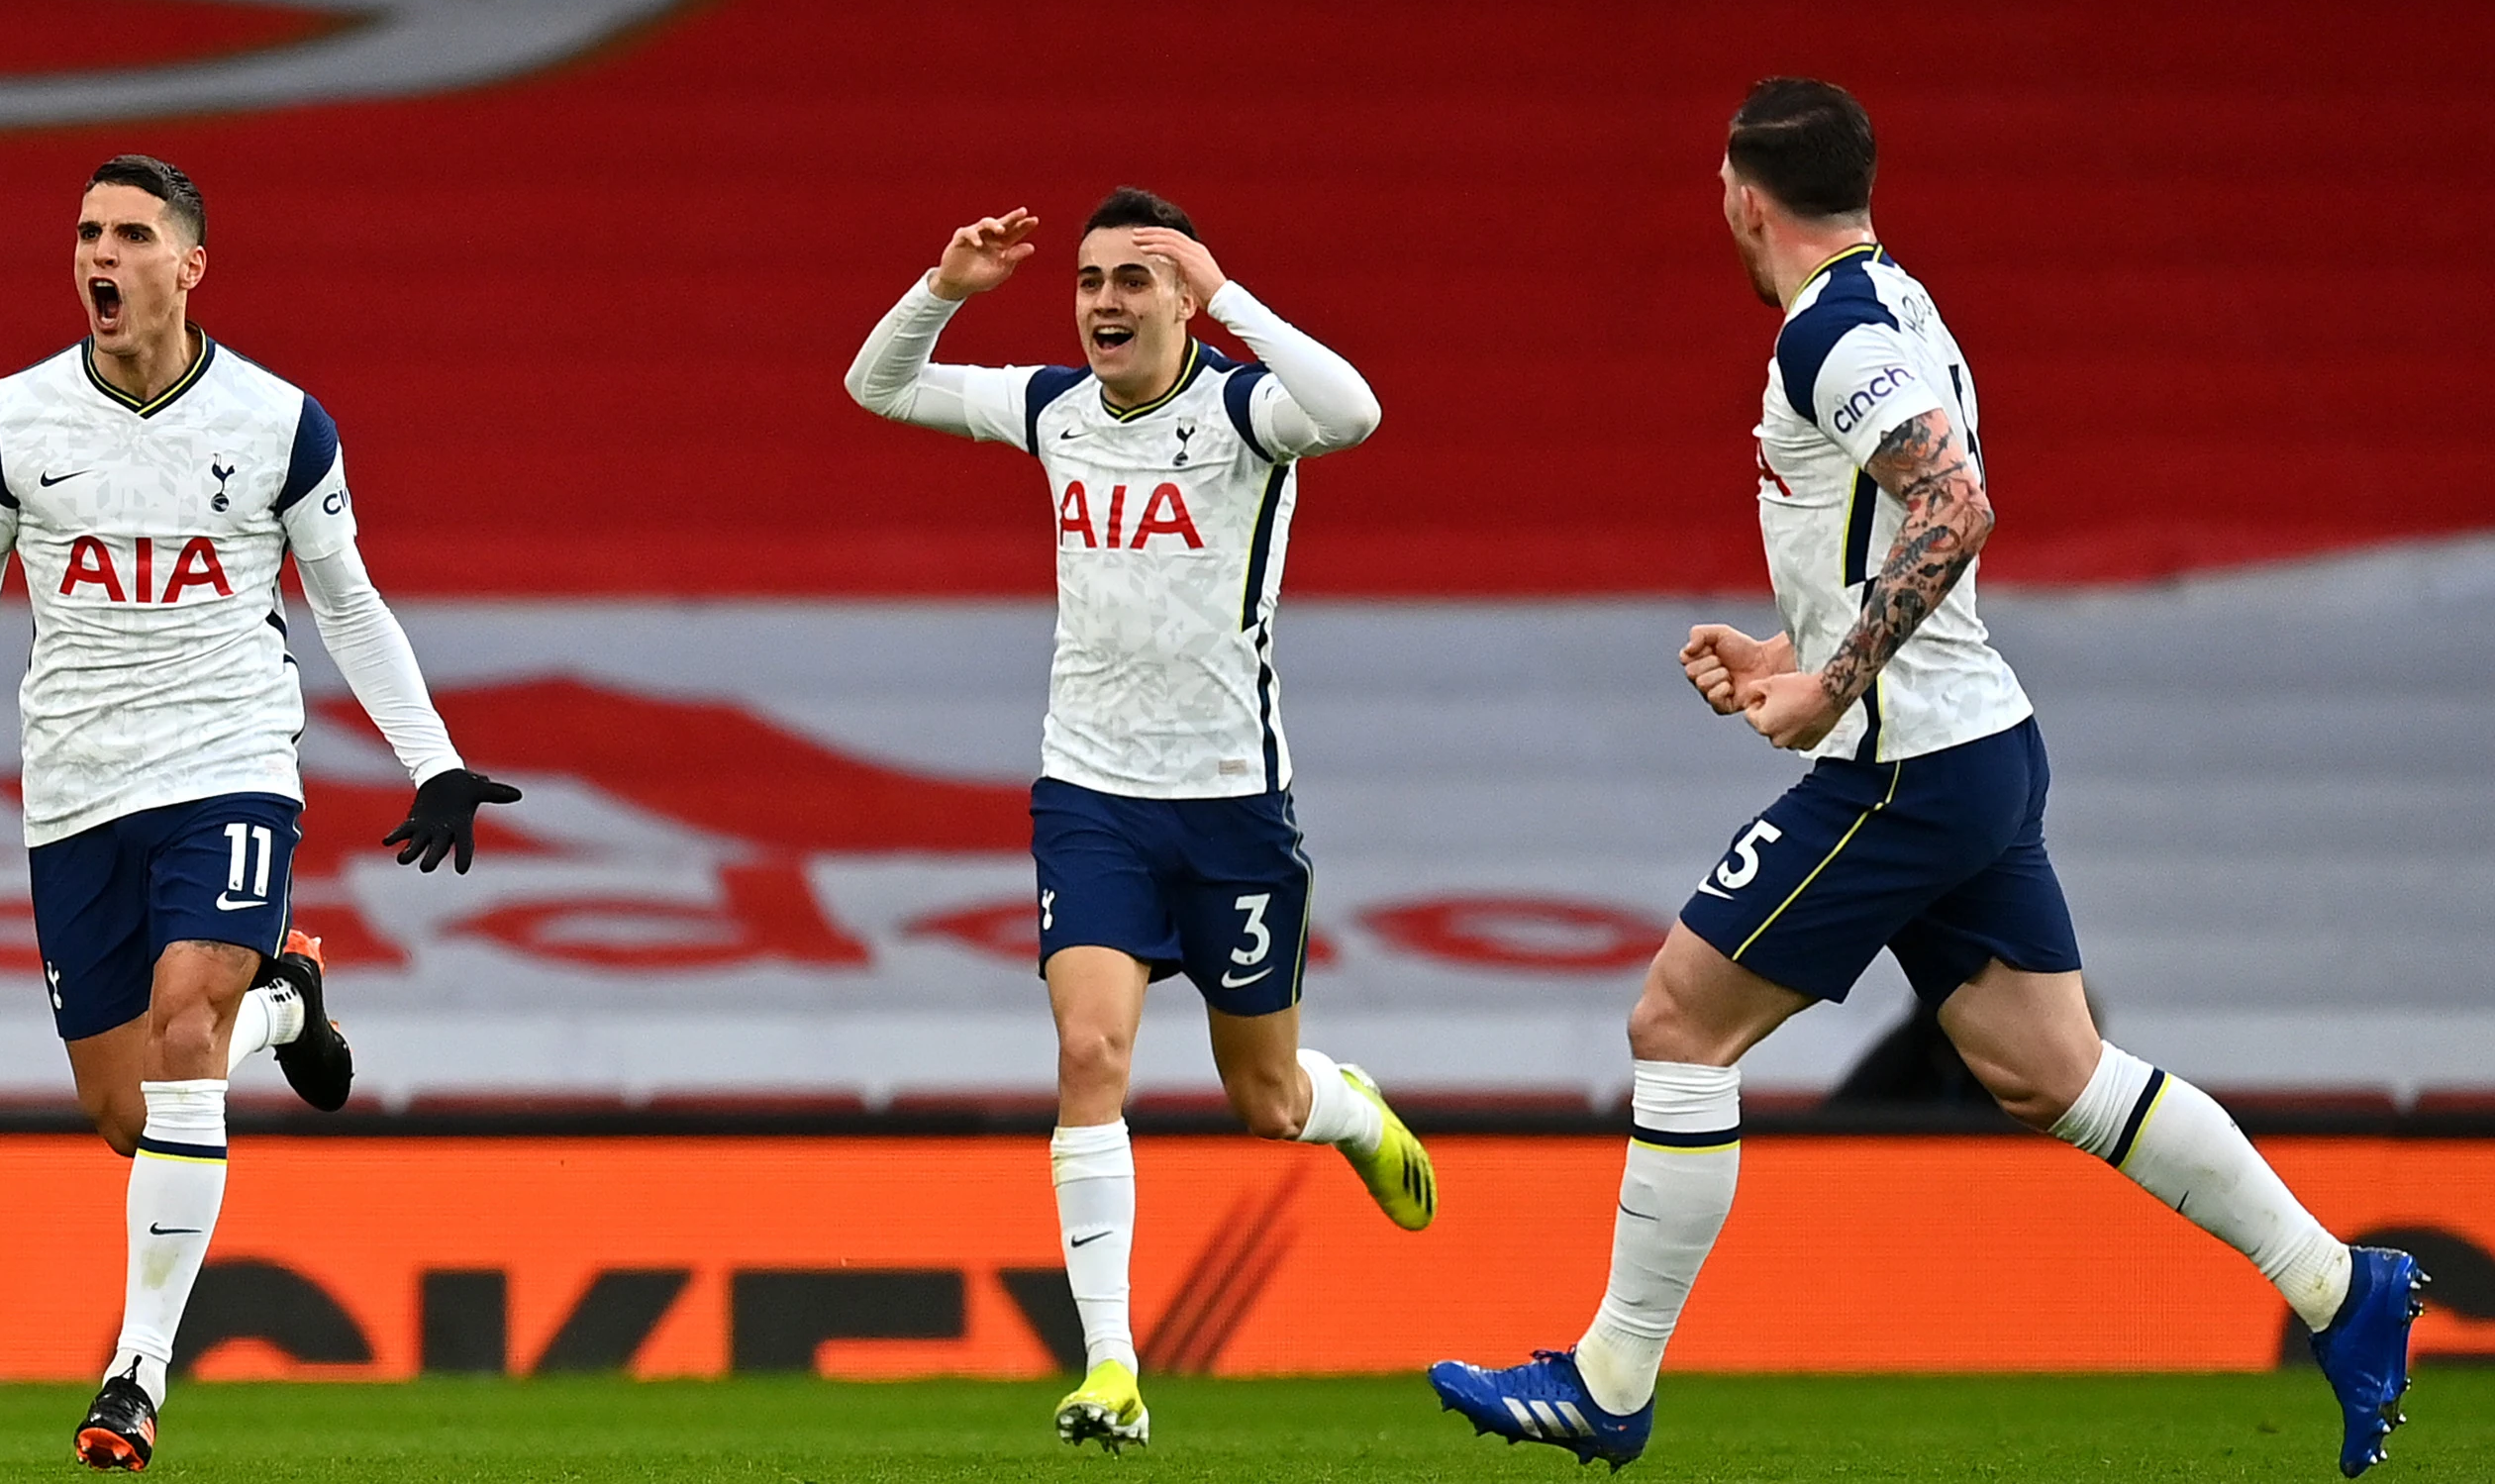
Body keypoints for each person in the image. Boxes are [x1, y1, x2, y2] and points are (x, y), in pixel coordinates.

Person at [1425, 80, 2424, 1477]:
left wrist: (1830, 686)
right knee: (2052, 1071)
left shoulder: (1831, 331)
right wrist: (1791, 647)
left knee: (1677, 1026)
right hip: (1971, 746)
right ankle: (2341, 1286)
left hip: (1904, 767)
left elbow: (1957, 506)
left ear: (1742, 195)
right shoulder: (1901, 302)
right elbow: (1908, 531)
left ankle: (1608, 1381)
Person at [0, 155, 521, 1473]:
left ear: (190, 265)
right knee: (128, 1109)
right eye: (88, 232)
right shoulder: (10, 423)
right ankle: (292, 1004)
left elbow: (349, 601)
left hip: (230, 758)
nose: (103, 253)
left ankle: (135, 1374)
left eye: (133, 234)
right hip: (78, 786)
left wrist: (431, 756)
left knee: (184, 1016)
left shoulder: (277, 423)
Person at [846, 188, 1437, 1450]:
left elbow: (1355, 409)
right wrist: (946, 286)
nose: (1104, 301)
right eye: (1090, 279)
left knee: (1264, 1099)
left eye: (1134, 280)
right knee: (1090, 1055)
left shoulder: (1241, 411)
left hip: (1231, 804)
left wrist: (1234, 299)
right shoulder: (1054, 405)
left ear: (1181, 302)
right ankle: (1111, 1364)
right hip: (1093, 796)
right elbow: (878, 386)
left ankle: (1350, 1110)